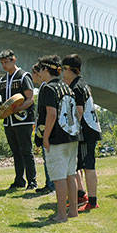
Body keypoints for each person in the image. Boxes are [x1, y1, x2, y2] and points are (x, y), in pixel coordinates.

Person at [37, 55, 80, 222]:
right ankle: (73, 211)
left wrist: (45, 137)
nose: (39, 73)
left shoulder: (48, 88)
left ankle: (61, 214)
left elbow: (52, 114)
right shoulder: (67, 87)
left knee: (59, 177)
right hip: (72, 136)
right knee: (71, 174)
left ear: (46, 69)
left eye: (40, 69)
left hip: (57, 138)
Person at [63, 54, 101, 210]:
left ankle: (92, 202)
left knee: (88, 166)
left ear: (71, 69)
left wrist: (69, 130)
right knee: (78, 165)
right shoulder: (80, 84)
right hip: (84, 131)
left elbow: (78, 112)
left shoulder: (77, 87)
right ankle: (80, 194)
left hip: (86, 132)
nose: (61, 72)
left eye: (63, 68)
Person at [0, 49, 37, 191]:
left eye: (6, 62)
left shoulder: (23, 76)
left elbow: (30, 99)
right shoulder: (2, 79)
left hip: (23, 120)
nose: (4, 65)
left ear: (14, 59)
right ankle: (19, 180)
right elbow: (3, 101)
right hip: (9, 121)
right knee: (15, 151)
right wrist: (3, 110)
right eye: (2, 63)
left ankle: (32, 181)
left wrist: (16, 109)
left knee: (26, 150)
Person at [31, 60, 55, 195]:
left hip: (46, 126)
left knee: (49, 156)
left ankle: (51, 184)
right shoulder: (42, 88)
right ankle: (49, 183)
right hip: (41, 126)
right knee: (46, 157)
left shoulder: (46, 87)